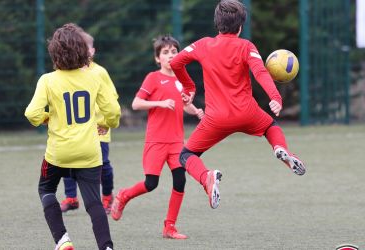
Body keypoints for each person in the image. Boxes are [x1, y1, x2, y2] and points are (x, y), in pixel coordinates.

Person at [170, 0, 306, 210]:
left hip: (216, 119)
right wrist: (275, 97)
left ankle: (207, 178)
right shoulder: (246, 46)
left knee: (186, 155)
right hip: (247, 113)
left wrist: (189, 88)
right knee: (271, 127)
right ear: (240, 26)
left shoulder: (203, 45)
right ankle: (282, 150)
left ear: (217, 23)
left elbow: (175, 63)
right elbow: (260, 72)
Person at [24, 23, 120, 250]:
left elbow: (32, 114)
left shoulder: (47, 80)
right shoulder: (94, 77)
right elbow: (113, 112)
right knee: (94, 203)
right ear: (83, 51)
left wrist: (48, 118)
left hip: (58, 152)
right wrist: (107, 124)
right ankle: (106, 247)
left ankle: (63, 240)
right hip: (89, 151)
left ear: (54, 53)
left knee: (46, 190)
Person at [110, 35, 204, 239]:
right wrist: (160, 104)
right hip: (156, 141)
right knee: (151, 184)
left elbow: (184, 104)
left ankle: (169, 227)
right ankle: (124, 195)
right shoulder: (153, 78)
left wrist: (195, 110)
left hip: (177, 142)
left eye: (174, 51)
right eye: (165, 52)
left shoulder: (182, 80)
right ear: (157, 58)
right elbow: (136, 104)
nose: (170, 55)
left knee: (180, 181)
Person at [60, 30, 118, 215]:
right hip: (75, 129)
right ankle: (71, 197)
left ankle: (107, 196)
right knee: (67, 161)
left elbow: (111, 98)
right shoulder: (68, 73)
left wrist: (102, 121)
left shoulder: (100, 72)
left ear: (93, 51)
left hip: (98, 129)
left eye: (88, 48)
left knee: (102, 165)